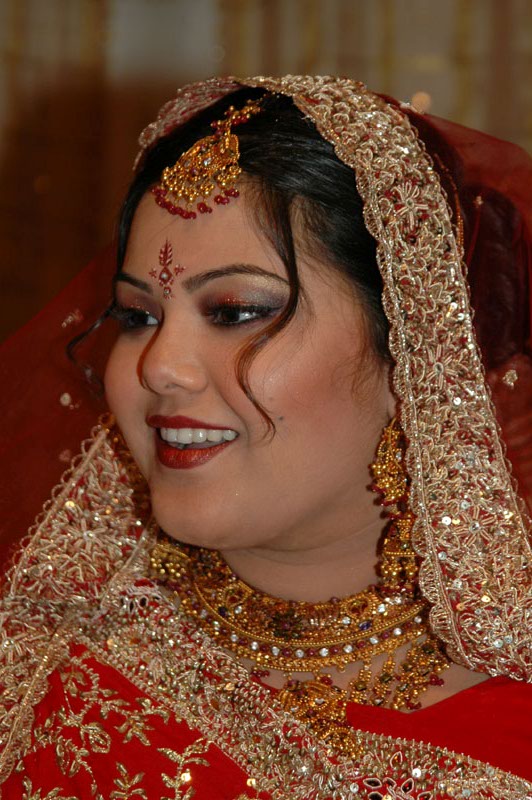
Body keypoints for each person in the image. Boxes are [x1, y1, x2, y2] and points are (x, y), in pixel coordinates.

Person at [0, 75, 531, 799]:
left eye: (235, 311)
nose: (158, 367)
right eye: (137, 316)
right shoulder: (32, 668)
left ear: (417, 355)